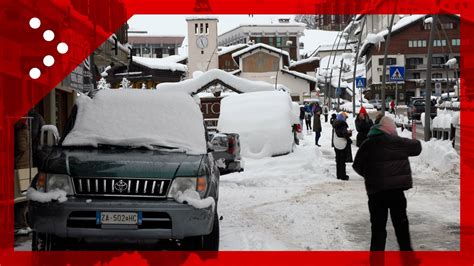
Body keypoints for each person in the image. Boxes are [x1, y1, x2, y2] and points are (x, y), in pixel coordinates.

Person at [352, 115, 422, 265]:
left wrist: (371, 175)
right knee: (401, 227)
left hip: (376, 193)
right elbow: (417, 147)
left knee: (378, 229)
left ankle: (376, 262)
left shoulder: (368, 144)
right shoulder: (397, 142)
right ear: (390, 129)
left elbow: (357, 165)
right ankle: (408, 260)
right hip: (396, 192)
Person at [332, 112, 352, 180]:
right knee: (342, 161)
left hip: (336, 143)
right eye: (345, 118)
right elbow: (343, 134)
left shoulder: (335, 124)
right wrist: (349, 134)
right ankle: (343, 175)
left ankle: (338, 175)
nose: (346, 119)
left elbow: (338, 133)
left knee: (338, 160)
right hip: (342, 144)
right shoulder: (343, 124)